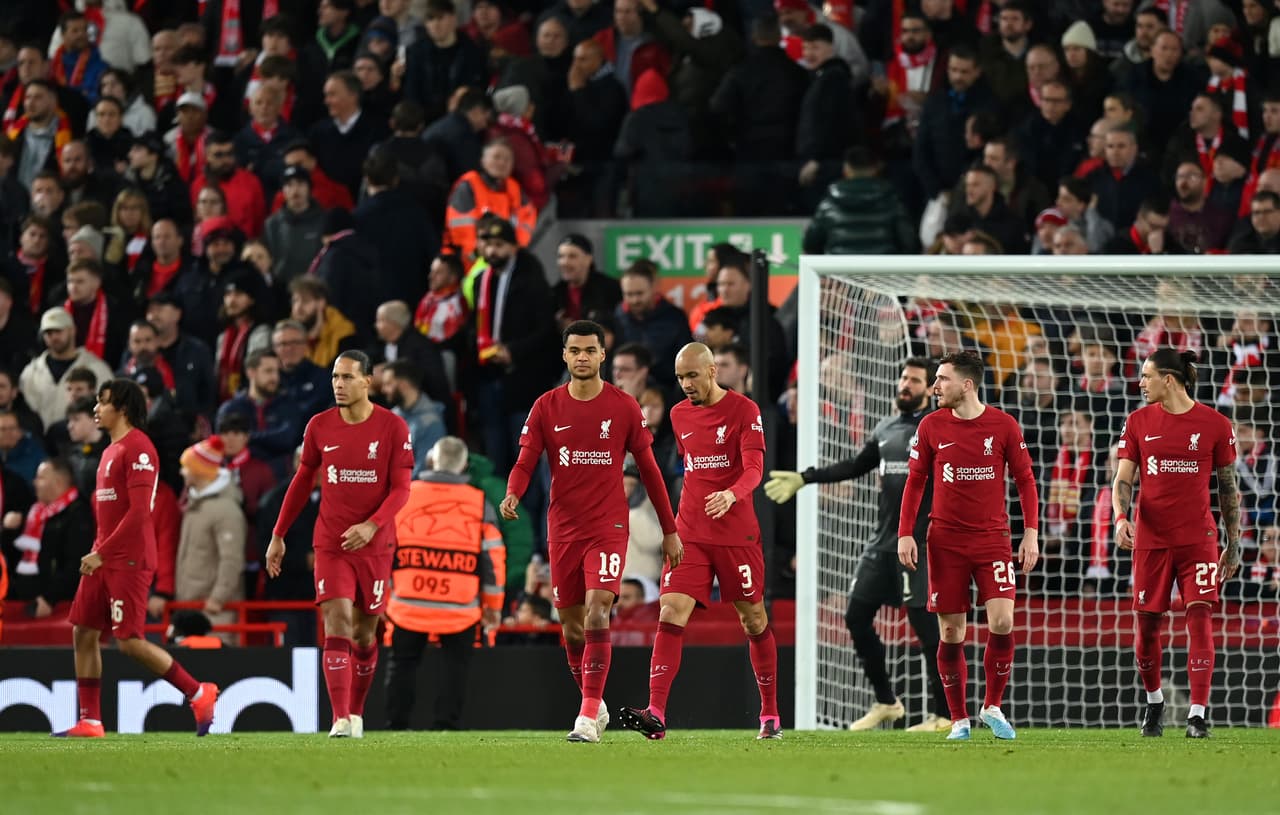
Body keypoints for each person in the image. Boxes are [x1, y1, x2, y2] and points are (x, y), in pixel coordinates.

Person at [500, 319, 681, 743]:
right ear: (565, 355)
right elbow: (527, 460)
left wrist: (670, 530)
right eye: (575, 351)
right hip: (563, 528)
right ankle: (593, 702)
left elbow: (651, 472)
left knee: (598, 608)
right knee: (571, 627)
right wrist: (512, 492)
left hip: (608, 525)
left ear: (602, 355)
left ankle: (585, 718)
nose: (582, 357)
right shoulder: (546, 406)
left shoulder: (623, 407)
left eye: (590, 351)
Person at [765, 358, 951, 732]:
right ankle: (886, 701)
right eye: (903, 377)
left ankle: (944, 714)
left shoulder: (938, 430)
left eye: (915, 380)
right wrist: (806, 477)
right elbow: (854, 466)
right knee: (855, 617)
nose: (905, 384)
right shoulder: (885, 429)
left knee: (926, 626)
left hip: (919, 544)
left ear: (931, 389)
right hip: (882, 543)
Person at [616, 342, 778, 741]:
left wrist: (732, 494)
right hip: (689, 531)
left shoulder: (745, 411)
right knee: (670, 611)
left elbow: (756, 468)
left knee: (753, 618)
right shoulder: (678, 414)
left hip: (735, 532)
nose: (686, 384)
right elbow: (692, 468)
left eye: (692, 376)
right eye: (680, 378)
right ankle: (655, 712)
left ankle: (770, 714)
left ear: (712, 371)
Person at [56, 378, 219, 738]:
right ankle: (91, 721)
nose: (96, 409)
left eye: (102, 402)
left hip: (127, 558)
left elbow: (140, 514)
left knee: (128, 640)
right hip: (103, 555)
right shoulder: (109, 450)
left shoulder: (139, 449)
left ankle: (198, 692)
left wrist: (103, 553)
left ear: (123, 408)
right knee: (83, 632)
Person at [266, 350, 413, 739]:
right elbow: (301, 482)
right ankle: (340, 717)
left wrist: (372, 525)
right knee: (337, 621)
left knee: (365, 634)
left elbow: (401, 490)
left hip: (376, 545)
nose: (339, 384)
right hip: (331, 543)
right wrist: (279, 534)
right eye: (335, 377)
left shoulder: (393, 428)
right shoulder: (319, 426)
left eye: (347, 377)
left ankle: (357, 711)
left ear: (368, 381)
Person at [896, 350, 1040, 741]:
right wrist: (905, 532)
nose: (935, 386)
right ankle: (959, 718)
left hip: (993, 538)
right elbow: (915, 482)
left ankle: (992, 705)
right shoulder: (930, 426)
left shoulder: (1003, 425)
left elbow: (1025, 480)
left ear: (967, 385)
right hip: (945, 541)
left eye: (942, 379)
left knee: (1003, 621)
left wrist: (1031, 532)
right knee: (951, 632)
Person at [1112, 349, 1240, 739]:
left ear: (1169, 379)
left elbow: (1228, 488)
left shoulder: (1215, 424)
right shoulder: (1137, 421)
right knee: (1147, 626)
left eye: (1147, 376)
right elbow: (1123, 479)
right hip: (1151, 540)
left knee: (1200, 617)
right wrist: (1120, 517)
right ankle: (1154, 704)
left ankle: (1197, 715)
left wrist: (1233, 543)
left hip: (1198, 540)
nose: (1141, 383)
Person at [384, 436, 506, 730]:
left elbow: (384, 548)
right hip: (460, 606)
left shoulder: (404, 496)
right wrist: (492, 607)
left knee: (402, 664)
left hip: (408, 602)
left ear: (430, 461)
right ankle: (445, 725)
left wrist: (383, 594)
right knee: (455, 667)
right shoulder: (479, 503)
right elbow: (493, 562)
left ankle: (396, 725)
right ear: (464, 464)